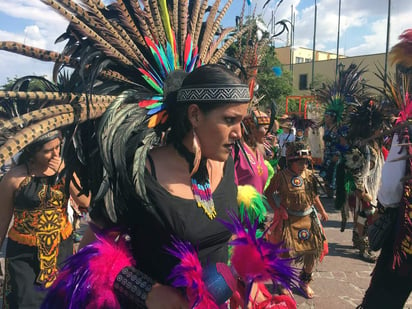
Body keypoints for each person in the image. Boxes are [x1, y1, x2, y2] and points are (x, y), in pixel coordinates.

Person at [0, 130, 90, 308]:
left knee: (59, 301)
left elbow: (85, 201)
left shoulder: (65, 169)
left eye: (58, 147)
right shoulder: (14, 178)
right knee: (23, 301)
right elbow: (2, 219)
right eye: (48, 150)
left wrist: (65, 172)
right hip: (23, 255)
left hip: (60, 251)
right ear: (32, 152)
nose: (56, 154)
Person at [265, 141, 328, 299]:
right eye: (299, 162)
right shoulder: (281, 177)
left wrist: (322, 211)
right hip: (289, 220)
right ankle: (284, 282)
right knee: (286, 254)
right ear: (290, 162)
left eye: (306, 162)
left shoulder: (309, 175)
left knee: (311, 252)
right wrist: (277, 209)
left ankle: (304, 282)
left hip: (308, 218)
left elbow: (314, 196)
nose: (303, 165)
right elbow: (268, 193)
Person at [234, 109, 270, 194]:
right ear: (253, 128)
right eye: (265, 128)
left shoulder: (258, 151)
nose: (268, 133)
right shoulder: (236, 151)